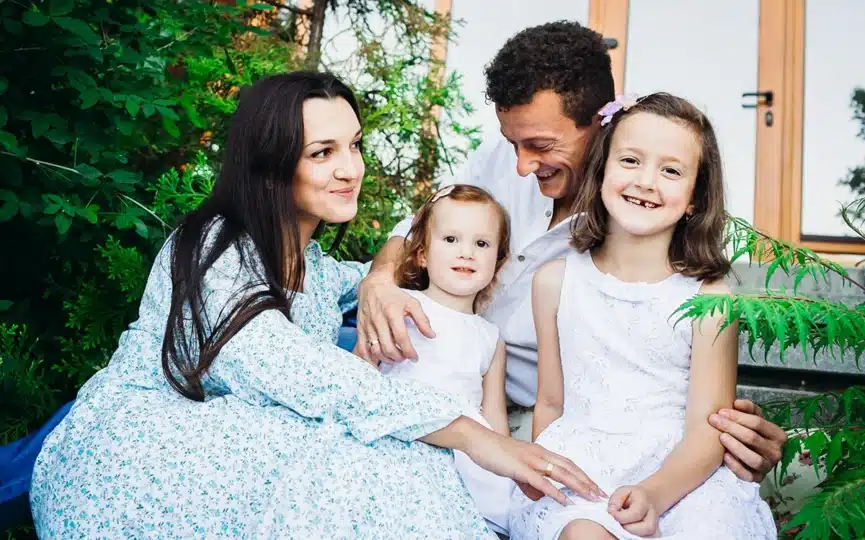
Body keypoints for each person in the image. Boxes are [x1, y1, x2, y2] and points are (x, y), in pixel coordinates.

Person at [30, 71, 597, 538]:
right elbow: (300, 371)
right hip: (141, 459)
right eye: (323, 152)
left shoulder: (314, 262)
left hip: (239, 438)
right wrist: (481, 439)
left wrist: (380, 280)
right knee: (384, 464)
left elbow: (382, 279)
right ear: (274, 162)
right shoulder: (215, 246)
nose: (351, 168)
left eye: (354, 146)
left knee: (397, 462)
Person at [356, 21, 787, 483]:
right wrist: (379, 281)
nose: (521, 165)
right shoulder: (502, 158)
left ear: (601, 123)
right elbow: (416, 227)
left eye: (540, 146)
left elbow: (663, 355)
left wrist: (728, 433)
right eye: (512, 143)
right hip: (432, 376)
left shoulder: (641, 219)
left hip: (535, 417)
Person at [508, 92, 777, 539]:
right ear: (602, 172)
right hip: (584, 471)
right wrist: (541, 469)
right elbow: (551, 404)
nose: (646, 181)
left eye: (671, 170)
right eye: (630, 160)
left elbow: (709, 429)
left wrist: (654, 493)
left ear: (695, 198)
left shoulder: (711, 297)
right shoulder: (554, 282)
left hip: (683, 478)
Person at [376, 184, 564, 535]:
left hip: (465, 458)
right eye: (450, 240)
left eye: (481, 244)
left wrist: (510, 470)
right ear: (421, 253)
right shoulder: (398, 305)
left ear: (498, 262)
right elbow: (358, 374)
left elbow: (494, 420)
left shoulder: (490, 338)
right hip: (398, 438)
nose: (466, 253)